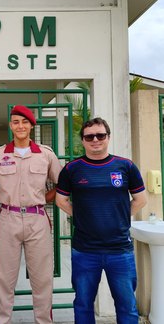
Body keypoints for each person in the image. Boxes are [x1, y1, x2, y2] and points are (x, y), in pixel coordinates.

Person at [56, 117, 147, 324]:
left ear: (108, 137)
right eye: (89, 136)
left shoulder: (126, 166)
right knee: (83, 304)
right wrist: (82, 216)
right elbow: (61, 200)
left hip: (120, 250)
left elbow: (141, 199)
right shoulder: (72, 169)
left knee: (127, 306)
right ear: (83, 140)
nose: (95, 139)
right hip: (85, 250)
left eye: (100, 135)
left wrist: (120, 218)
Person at [0, 105, 62, 324]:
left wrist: (42, 200)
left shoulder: (45, 155)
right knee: (4, 278)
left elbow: (61, 184)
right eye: (16, 122)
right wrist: (6, 200)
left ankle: (43, 321)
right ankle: (2, 320)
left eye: (24, 122)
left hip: (36, 219)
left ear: (31, 125)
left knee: (42, 278)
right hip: (7, 219)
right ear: (10, 125)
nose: (20, 126)